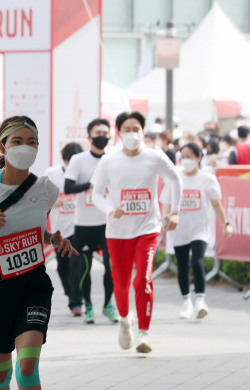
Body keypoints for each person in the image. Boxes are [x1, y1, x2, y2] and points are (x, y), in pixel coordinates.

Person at [0, 116, 78, 390]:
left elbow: (35, 229)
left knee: (27, 369)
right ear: (2, 146)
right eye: (17, 141)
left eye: (31, 141)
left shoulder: (46, 189)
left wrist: (52, 238)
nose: (25, 147)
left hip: (32, 282)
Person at [91, 111, 182, 354]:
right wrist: (111, 210)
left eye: (137, 129)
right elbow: (96, 194)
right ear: (119, 133)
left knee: (142, 279)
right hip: (118, 232)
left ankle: (144, 332)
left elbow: (175, 179)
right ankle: (124, 320)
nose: (132, 134)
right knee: (120, 283)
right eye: (127, 129)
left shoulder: (155, 157)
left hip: (147, 229)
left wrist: (175, 211)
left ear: (143, 131)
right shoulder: (108, 160)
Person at [160, 143, 232, 319]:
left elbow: (216, 204)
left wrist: (225, 223)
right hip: (179, 230)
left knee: (197, 263)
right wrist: (164, 222)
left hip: (199, 229)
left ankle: (200, 300)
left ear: (198, 158)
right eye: (182, 156)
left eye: (189, 156)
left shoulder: (208, 179)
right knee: (182, 266)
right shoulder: (174, 178)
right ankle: (186, 302)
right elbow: (166, 203)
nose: (185, 160)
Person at [64, 118, 119, 323]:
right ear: (89, 136)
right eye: (98, 133)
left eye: (106, 132)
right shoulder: (78, 160)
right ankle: (88, 305)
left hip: (108, 223)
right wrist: (92, 185)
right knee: (84, 267)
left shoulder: (114, 158)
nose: (102, 136)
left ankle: (108, 304)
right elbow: (68, 187)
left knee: (110, 266)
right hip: (84, 223)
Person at [44, 142, 82, 311]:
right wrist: (51, 202)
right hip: (60, 230)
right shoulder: (52, 174)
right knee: (62, 267)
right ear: (65, 160)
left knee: (76, 265)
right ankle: (70, 292)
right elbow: (38, 197)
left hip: (80, 227)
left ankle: (75, 302)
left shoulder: (84, 174)